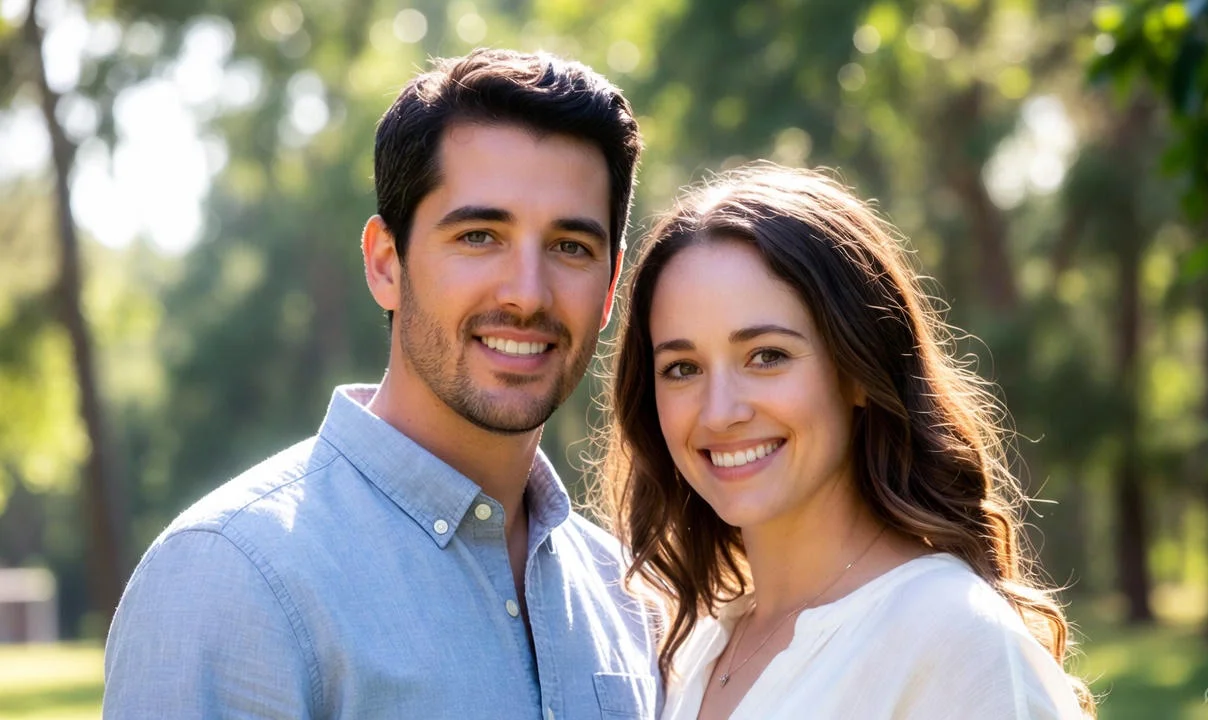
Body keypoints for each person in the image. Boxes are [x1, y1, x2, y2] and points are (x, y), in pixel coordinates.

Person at [104, 48, 661, 719]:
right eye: (480, 236)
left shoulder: (631, 604)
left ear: (608, 289)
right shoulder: (232, 577)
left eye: (571, 246)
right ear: (385, 264)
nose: (527, 294)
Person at [600, 163, 1094, 719]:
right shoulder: (700, 649)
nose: (720, 412)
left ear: (858, 369)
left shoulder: (957, 638)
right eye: (683, 368)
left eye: (767, 356)